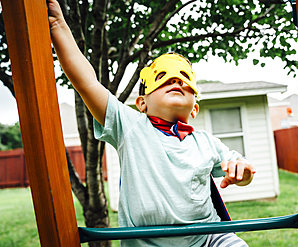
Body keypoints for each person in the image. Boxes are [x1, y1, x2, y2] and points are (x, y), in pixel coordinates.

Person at [47, 0, 256, 246]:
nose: (176, 82)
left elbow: (239, 166)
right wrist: (57, 23)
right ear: (142, 103)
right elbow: (87, 82)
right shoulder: (130, 126)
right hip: (148, 244)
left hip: (208, 238)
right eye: (164, 80)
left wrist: (242, 171)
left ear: (195, 108)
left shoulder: (206, 143)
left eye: (184, 82)